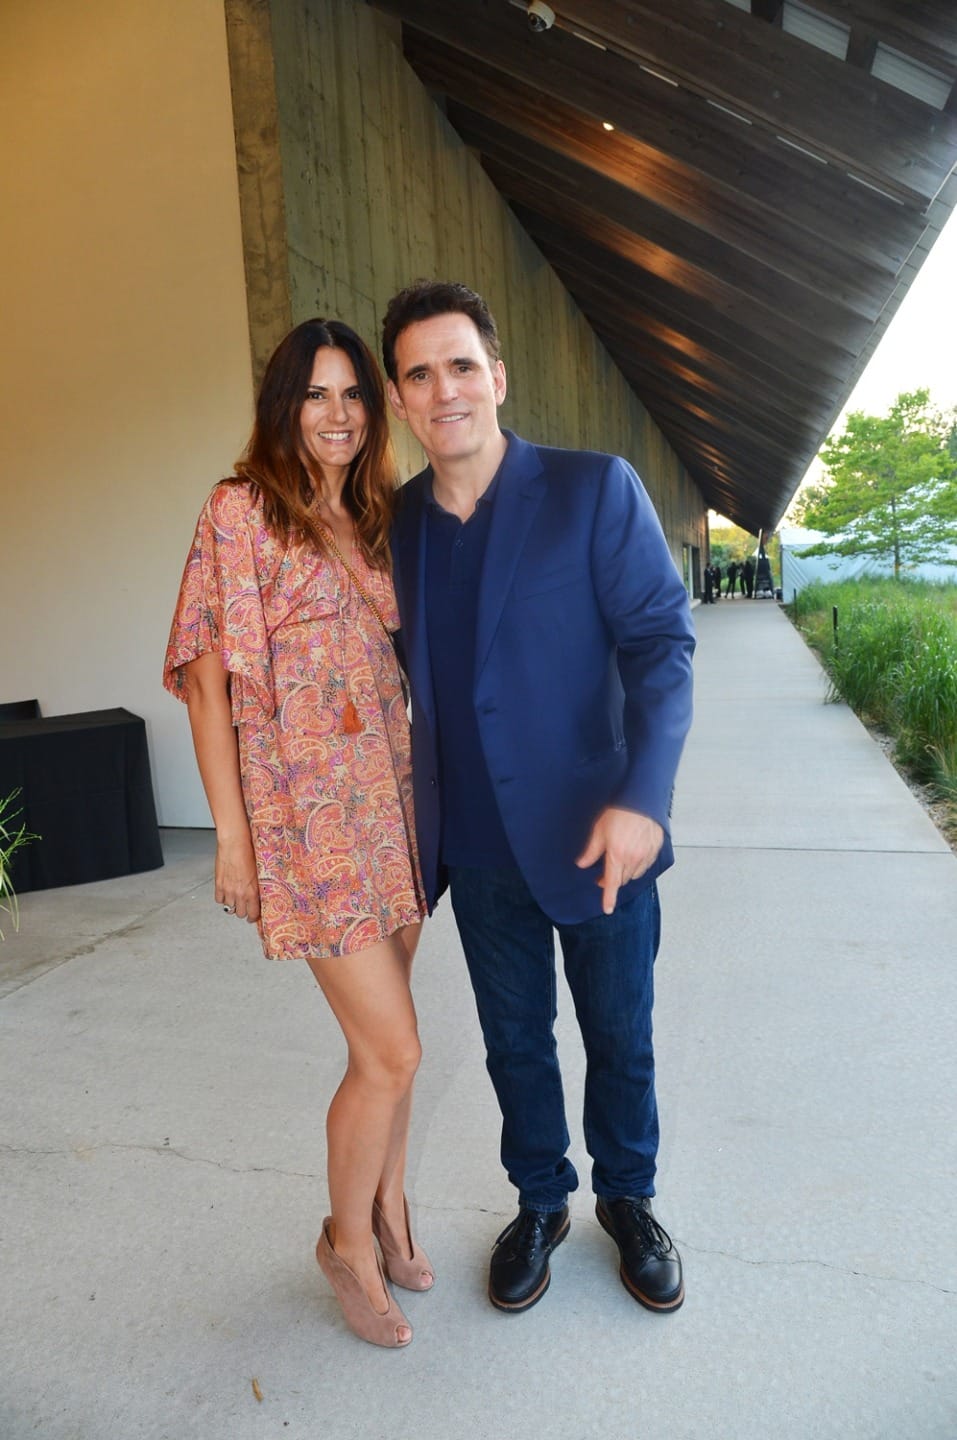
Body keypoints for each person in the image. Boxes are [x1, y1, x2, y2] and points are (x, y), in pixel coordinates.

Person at [383, 280, 695, 1315]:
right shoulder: (398, 526)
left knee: (620, 1036)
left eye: (460, 365)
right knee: (514, 1044)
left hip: (597, 833)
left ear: (497, 376)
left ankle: (629, 1198)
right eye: (420, 374)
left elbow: (661, 646)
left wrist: (644, 796)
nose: (445, 389)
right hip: (476, 847)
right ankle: (541, 1200)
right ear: (400, 399)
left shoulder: (591, 489)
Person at [163, 318, 431, 1350]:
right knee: (392, 1051)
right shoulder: (239, 511)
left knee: (389, 1045)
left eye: (353, 393)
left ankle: (390, 1207)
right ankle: (347, 1245)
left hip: (392, 808)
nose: (337, 413)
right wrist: (232, 839)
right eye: (316, 394)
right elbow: (206, 687)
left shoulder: (376, 518)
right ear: (284, 405)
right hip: (305, 823)